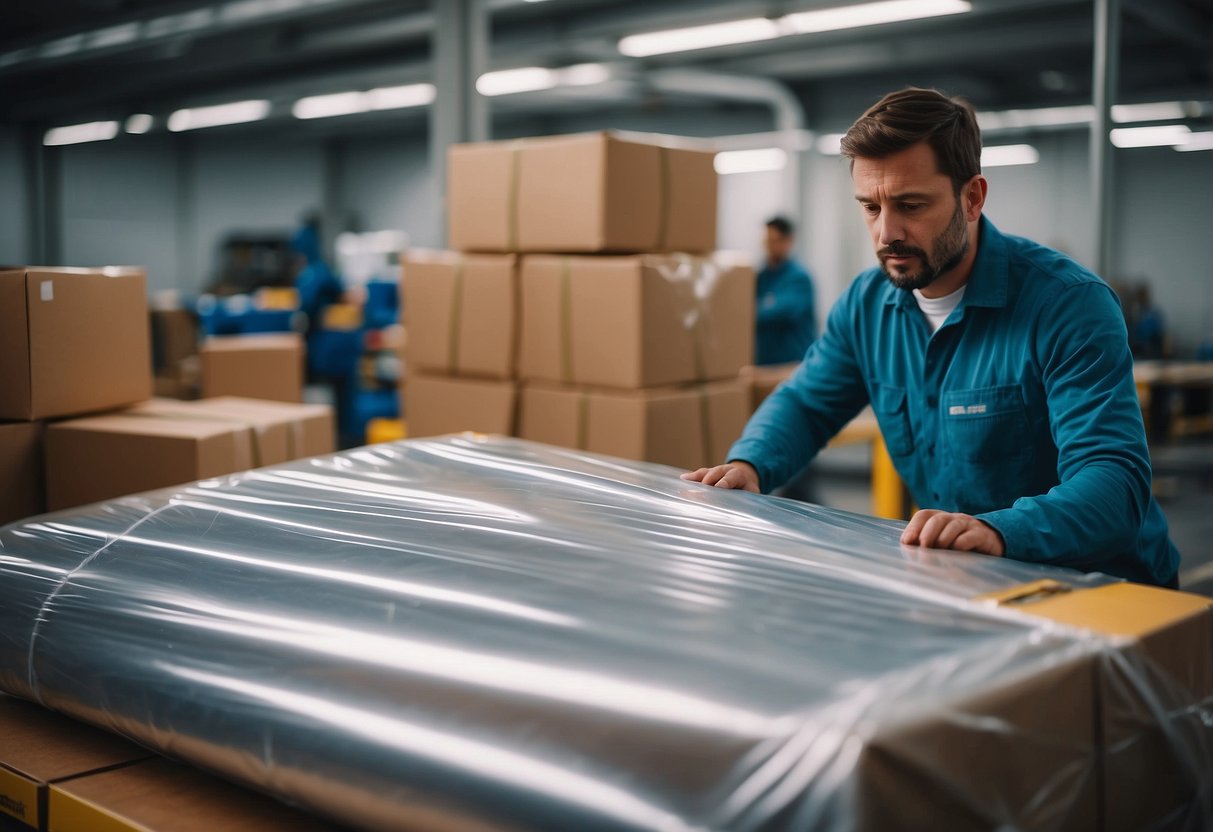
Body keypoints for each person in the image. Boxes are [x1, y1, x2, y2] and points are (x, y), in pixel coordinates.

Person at [683, 87, 1180, 588]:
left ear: (972, 198)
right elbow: (807, 403)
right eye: (871, 208)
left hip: (1106, 592)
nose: (886, 233)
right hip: (969, 582)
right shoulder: (867, 304)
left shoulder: (1068, 305)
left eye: (910, 205)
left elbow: (1115, 483)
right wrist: (750, 463)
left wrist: (999, 530)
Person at [755, 216, 818, 366]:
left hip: (792, 366)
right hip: (764, 365)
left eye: (774, 241)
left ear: (788, 241)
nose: (768, 246)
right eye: (766, 241)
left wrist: (754, 308)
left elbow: (774, 312)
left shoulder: (798, 278)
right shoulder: (761, 276)